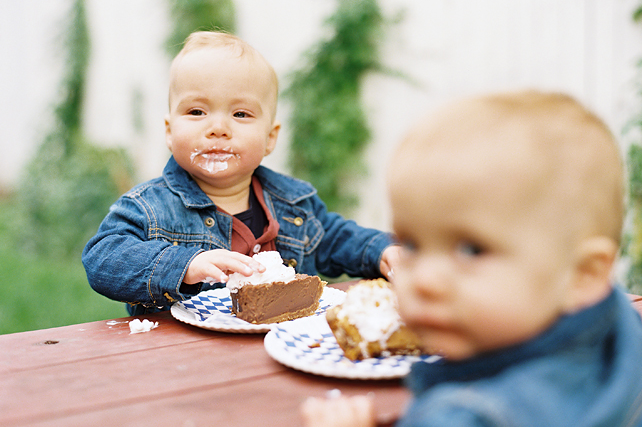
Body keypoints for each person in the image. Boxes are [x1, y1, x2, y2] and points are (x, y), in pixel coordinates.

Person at [301, 91, 642, 427]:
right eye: (412, 245)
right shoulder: (624, 337)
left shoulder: (468, 414)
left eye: (471, 250)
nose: (423, 280)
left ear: (583, 274)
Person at [82, 31, 398, 315]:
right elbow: (103, 258)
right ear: (169, 130)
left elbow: (335, 238)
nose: (218, 128)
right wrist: (185, 265)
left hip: (280, 351)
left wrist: (381, 251)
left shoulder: (293, 203)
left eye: (240, 114)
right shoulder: (150, 207)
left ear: (270, 138)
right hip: (181, 361)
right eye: (196, 112)